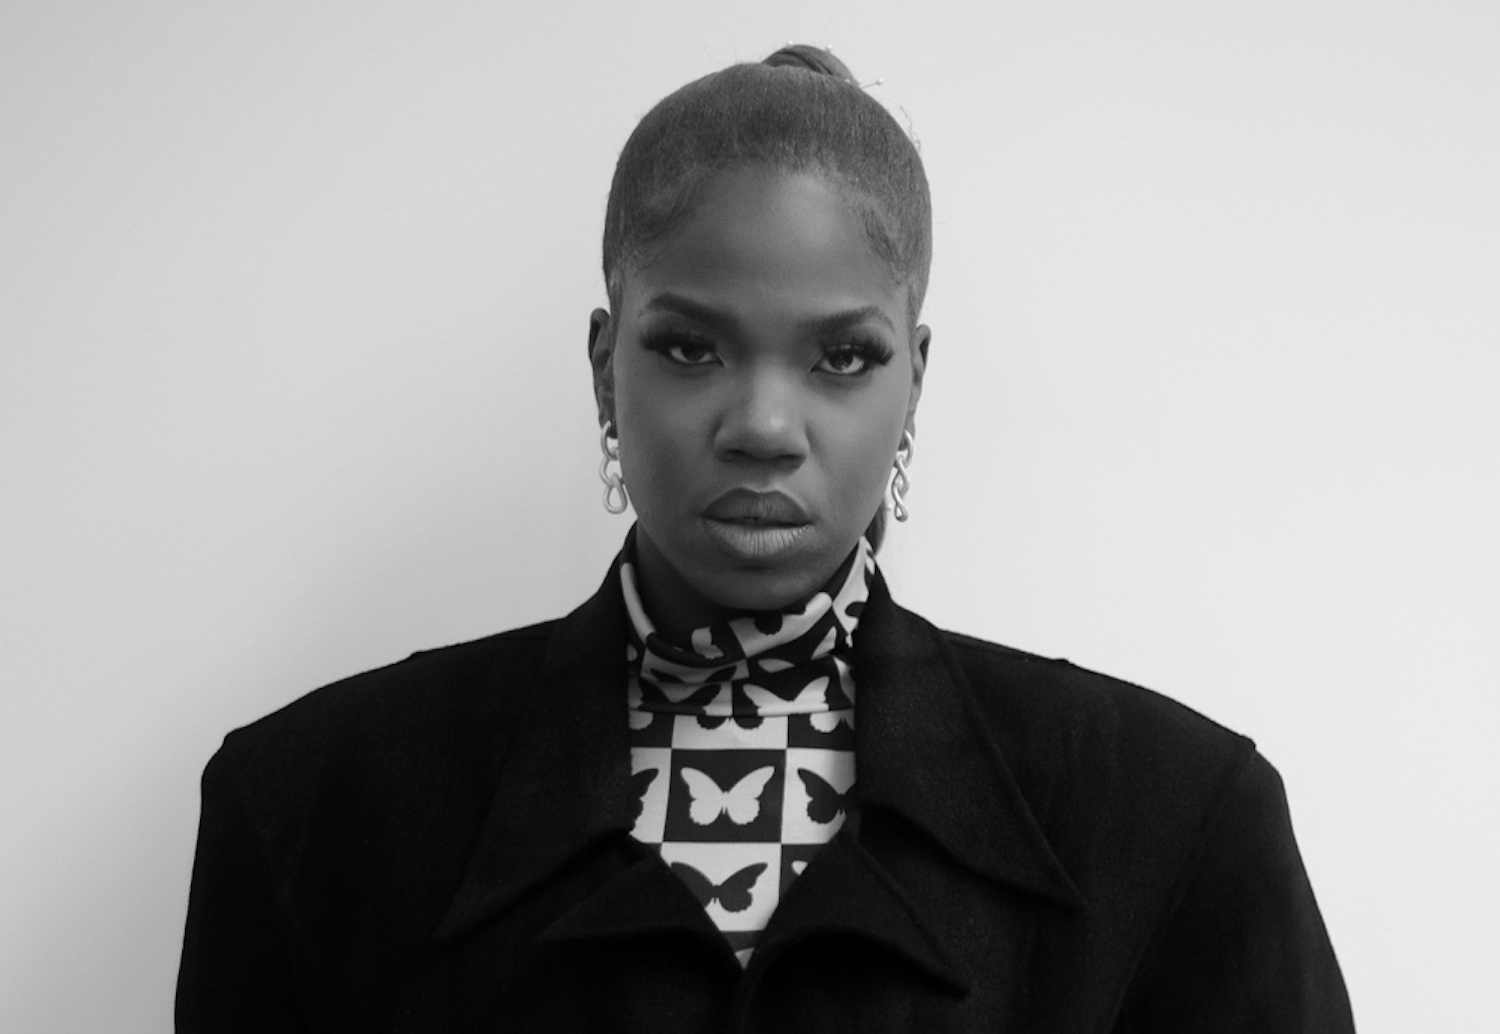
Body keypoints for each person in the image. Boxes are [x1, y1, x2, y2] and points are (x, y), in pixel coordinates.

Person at [176, 44, 1354, 1032]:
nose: (763, 426)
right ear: (605, 365)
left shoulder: (1173, 819)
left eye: (843, 355)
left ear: (914, 379)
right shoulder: (312, 811)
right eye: (690, 347)